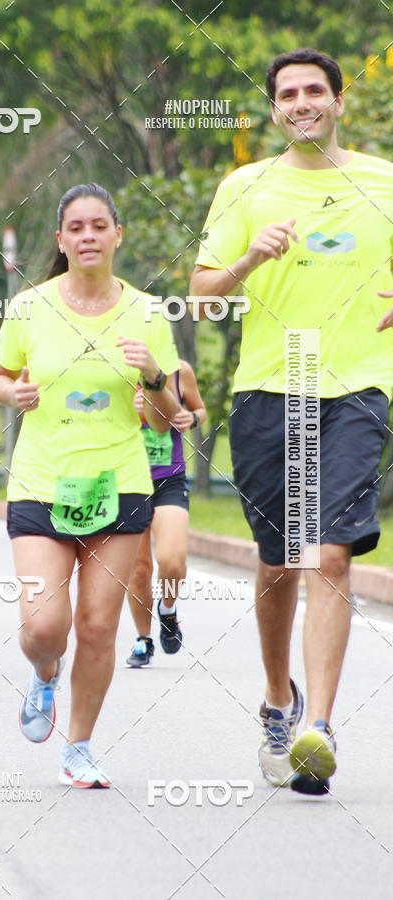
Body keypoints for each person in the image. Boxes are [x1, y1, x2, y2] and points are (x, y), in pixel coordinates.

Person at [190, 48, 393, 794]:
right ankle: (281, 698)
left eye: (315, 90)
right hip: (268, 392)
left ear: (339, 101)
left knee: (332, 556)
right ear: (275, 109)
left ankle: (321, 728)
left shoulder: (384, 183)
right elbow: (204, 293)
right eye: (288, 94)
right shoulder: (246, 186)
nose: (302, 102)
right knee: (278, 565)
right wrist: (249, 258)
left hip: (356, 390)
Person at [0, 183, 180, 789]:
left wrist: (152, 375)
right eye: (77, 227)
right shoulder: (28, 307)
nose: (89, 236)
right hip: (42, 482)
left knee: (99, 627)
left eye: (100, 225)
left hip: (120, 483)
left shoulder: (150, 313)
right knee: (45, 625)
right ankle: (44, 672)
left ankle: (80, 745)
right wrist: (8, 393)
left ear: (117, 234)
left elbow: (166, 414)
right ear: (61, 240)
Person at [126, 359, 206, 667]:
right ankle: (143, 639)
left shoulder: (179, 371)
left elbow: (200, 410)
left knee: (172, 561)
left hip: (169, 478)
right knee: (139, 569)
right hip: (127, 479)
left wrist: (191, 418)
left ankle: (168, 610)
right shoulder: (113, 369)